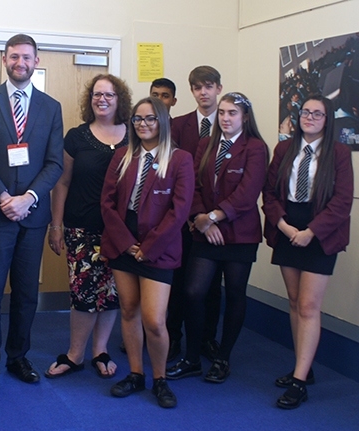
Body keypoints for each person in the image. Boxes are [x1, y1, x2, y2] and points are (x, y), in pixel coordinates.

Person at [0, 33, 64, 392]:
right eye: (14, 57)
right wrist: (6, 196)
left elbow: (54, 164)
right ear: (4, 60)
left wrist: (30, 198)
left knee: (25, 293)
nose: (20, 63)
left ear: (36, 61)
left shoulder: (51, 107)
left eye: (27, 57)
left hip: (33, 216)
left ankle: (18, 356)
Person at [166, 92, 268, 384]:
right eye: (222, 113)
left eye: (232, 113)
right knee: (194, 292)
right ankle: (192, 358)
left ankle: (223, 358)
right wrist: (202, 219)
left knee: (234, 294)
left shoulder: (256, 148)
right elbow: (194, 186)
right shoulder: (206, 145)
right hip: (205, 232)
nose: (225, 118)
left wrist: (213, 217)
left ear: (245, 117)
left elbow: (247, 194)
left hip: (240, 234)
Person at [100, 97, 194, 408]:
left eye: (150, 119)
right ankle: (136, 374)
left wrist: (149, 248)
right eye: (138, 119)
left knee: (154, 320)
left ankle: (160, 378)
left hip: (159, 249)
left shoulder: (180, 159)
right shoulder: (122, 156)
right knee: (128, 310)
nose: (143, 124)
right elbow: (108, 204)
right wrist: (127, 244)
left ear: (163, 122)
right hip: (123, 244)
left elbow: (179, 212)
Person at [263, 94, 353, 409]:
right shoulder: (284, 149)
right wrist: (287, 229)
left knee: (309, 306)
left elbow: (342, 202)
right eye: (305, 112)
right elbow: (270, 192)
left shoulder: (339, 153)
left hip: (321, 233)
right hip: (289, 228)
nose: (310, 117)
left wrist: (311, 232)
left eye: (317, 113)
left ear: (328, 120)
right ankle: (305, 366)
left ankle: (299, 383)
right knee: (293, 301)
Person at [44, 74, 131, 379]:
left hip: (120, 231)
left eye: (108, 95)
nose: (102, 100)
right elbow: (62, 182)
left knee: (110, 294)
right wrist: (55, 226)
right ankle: (75, 354)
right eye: (96, 94)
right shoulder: (76, 137)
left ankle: (100, 351)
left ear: (119, 99)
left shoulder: (135, 135)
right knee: (83, 294)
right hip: (81, 228)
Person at [168, 65, 223, 362]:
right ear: (191, 91)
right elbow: (172, 176)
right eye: (197, 87)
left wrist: (208, 218)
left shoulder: (228, 124)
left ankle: (206, 339)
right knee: (178, 283)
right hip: (182, 220)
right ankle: (174, 337)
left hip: (215, 221)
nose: (203, 92)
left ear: (218, 88)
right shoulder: (178, 126)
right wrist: (191, 216)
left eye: (209, 86)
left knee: (211, 286)